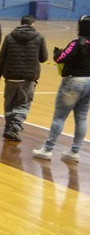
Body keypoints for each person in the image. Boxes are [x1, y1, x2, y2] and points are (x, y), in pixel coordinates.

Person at [33, 15, 90, 163]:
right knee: (82, 117)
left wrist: (57, 53)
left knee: (59, 117)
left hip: (74, 82)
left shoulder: (77, 43)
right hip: (89, 83)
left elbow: (60, 58)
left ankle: (47, 149)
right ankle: (75, 151)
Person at [0, 15, 48, 142]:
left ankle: (8, 127)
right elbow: (43, 58)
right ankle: (15, 128)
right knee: (23, 104)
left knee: (9, 104)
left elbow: (2, 57)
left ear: (21, 23)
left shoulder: (9, 37)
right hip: (28, 77)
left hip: (10, 76)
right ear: (33, 24)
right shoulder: (39, 38)